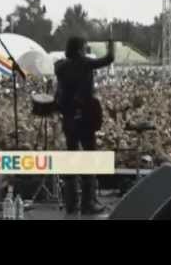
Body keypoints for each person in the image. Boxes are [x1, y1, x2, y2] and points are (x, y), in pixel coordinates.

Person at [55, 36, 115, 215]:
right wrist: (110, 46)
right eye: (85, 46)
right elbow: (108, 59)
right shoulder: (84, 63)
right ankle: (88, 204)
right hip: (84, 117)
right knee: (89, 157)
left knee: (72, 156)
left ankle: (71, 204)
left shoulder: (60, 66)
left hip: (68, 117)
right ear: (80, 48)